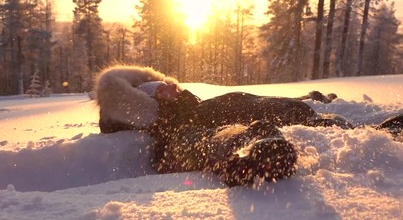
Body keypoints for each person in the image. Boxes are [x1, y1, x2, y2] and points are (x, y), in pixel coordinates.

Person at [94, 65, 403, 186]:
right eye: (161, 90)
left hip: (289, 111)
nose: (173, 89)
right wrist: (252, 147)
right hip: (262, 136)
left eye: (169, 84)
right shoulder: (176, 133)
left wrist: (298, 100)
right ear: (151, 104)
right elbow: (204, 144)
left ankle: (381, 130)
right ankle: (257, 155)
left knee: (318, 118)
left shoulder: (201, 106)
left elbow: (254, 100)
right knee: (269, 127)